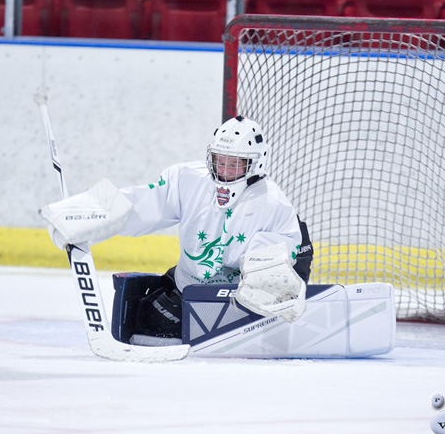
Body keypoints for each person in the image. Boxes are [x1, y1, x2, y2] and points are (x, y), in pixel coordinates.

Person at [40, 116, 313, 345]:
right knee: (144, 326)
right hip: (186, 291)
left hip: (234, 305)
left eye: (235, 163)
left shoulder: (272, 204)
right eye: (220, 160)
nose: (224, 170)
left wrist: (274, 288)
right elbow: (141, 205)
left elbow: (279, 263)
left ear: (256, 163)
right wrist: (88, 214)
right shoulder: (188, 180)